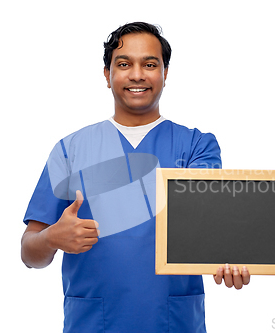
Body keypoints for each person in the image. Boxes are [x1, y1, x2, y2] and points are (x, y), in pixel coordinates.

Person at [21, 22, 250, 333]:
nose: (137, 74)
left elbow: (211, 225)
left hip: (172, 321)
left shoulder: (197, 145)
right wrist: (51, 238)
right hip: (93, 323)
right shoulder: (69, 150)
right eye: (124, 63)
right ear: (107, 74)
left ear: (165, 74)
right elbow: (29, 253)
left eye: (150, 64)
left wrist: (230, 256)